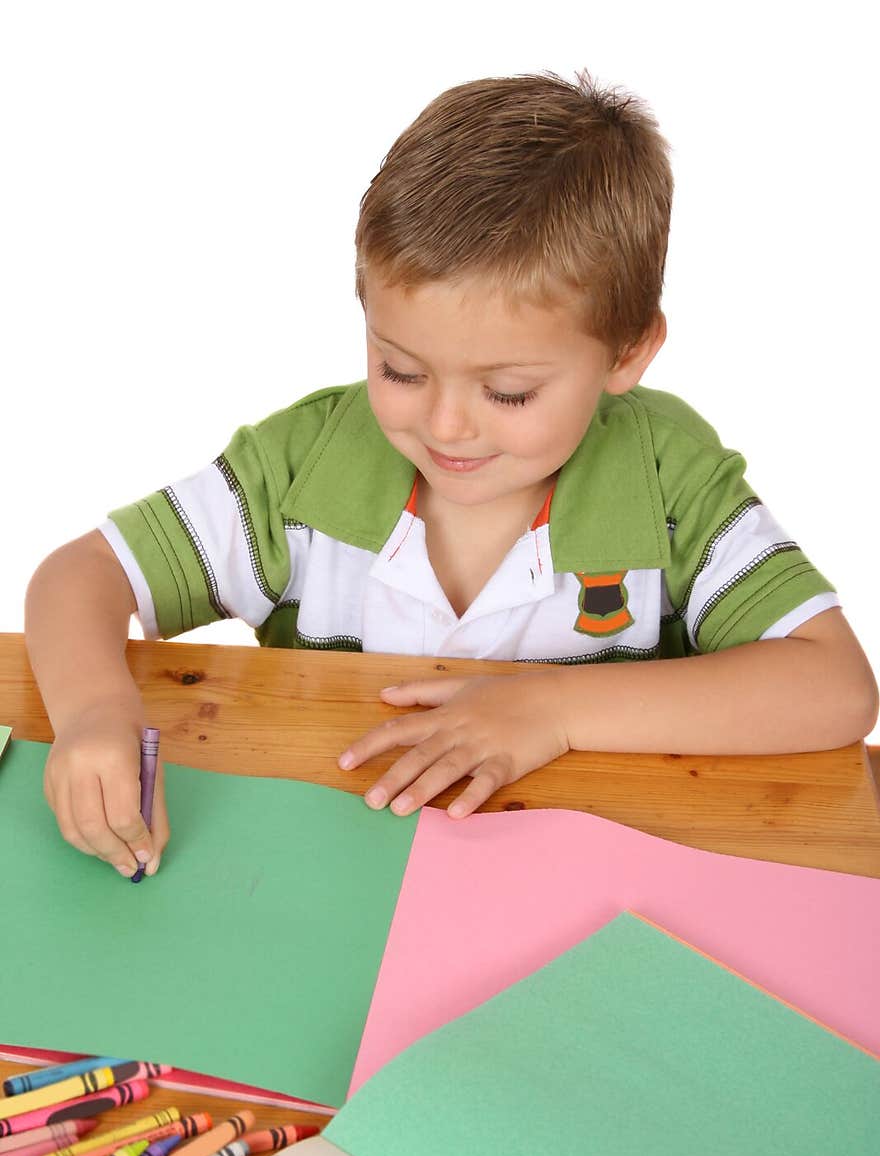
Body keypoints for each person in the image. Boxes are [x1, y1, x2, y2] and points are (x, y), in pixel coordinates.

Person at [24, 70, 878, 880]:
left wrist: (551, 712)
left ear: (628, 353)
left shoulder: (666, 478)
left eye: (508, 391)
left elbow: (835, 688)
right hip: (337, 880)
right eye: (401, 370)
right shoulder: (305, 465)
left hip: (590, 898)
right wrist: (95, 711)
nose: (443, 425)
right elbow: (83, 574)